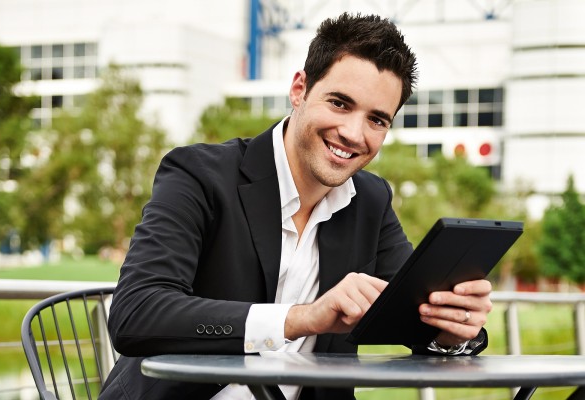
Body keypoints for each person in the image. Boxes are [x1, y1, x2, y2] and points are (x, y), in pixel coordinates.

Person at [99, 12, 491, 400]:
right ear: (299, 89)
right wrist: (300, 318)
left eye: (377, 120)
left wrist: (452, 328)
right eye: (340, 103)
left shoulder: (371, 201)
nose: (354, 134)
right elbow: (136, 313)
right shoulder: (199, 174)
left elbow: (411, 315)